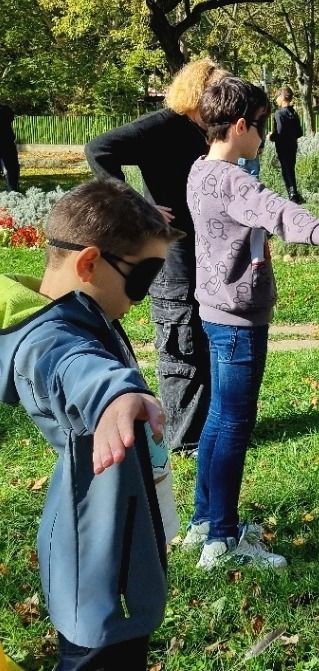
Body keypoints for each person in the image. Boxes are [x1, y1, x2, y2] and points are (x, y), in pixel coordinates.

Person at [184, 77, 319, 570]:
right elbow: (275, 210)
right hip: (238, 320)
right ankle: (223, 542)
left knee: (218, 418)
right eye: (262, 126)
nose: (265, 137)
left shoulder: (200, 170)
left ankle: (205, 523)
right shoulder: (233, 180)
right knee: (232, 424)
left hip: (214, 310)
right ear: (242, 125)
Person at [0, 179, 184, 669]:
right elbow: (72, 367)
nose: (143, 296)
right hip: (95, 567)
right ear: (87, 263)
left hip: (120, 542)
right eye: (143, 277)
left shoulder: (85, 309)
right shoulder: (46, 340)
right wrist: (116, 394)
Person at [86, 58, 229, 455]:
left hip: (202, 248)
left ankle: (200, 427)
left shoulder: (206, 131)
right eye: (215, 91)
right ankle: (184, 439)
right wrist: (136, 203)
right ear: (196, 92)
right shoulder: (163, 124)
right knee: (180, 335)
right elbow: (99, 149)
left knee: (200, 335)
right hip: (171, 251)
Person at [270, 86, 303, 203]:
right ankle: (295, 193)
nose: (276, 100)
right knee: (291, 169)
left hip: (282, 146)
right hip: (293, 145)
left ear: (282, 97)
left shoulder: (279, 114)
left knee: (286, 170)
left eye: (277, 97)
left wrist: (272, 137)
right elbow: (300, 132)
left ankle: (292, 194)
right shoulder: (294, 113)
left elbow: (279, 131)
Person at [0, 103, 20, 192]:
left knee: (10, 169)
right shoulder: (5, 109)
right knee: (11, 168)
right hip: (7, 144)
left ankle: (12, 191)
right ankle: (12, 191)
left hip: (7, 144)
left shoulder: (5, 109)